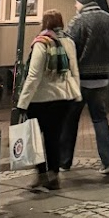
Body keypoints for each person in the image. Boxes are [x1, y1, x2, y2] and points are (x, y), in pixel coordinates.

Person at [16, 10, 80, 193]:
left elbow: (34, 75)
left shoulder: (41, 43)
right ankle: (54, 176)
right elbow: (74, 69)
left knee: (35, 139)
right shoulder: (68, 42)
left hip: (41, 99)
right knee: (54, 138)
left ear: (44, 24)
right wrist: (77, 93)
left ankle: (41, 174)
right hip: (64, 98)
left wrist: (23, 102)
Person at [61, 0, 109, 177]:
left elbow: (68, 49)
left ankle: (64, 161)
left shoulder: (78, 21)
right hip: (102, 79)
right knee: (100, 119)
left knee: (70, 120)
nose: (75, 5)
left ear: (83, 1)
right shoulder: (108, 20)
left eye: (76, 1)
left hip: (80, 79)